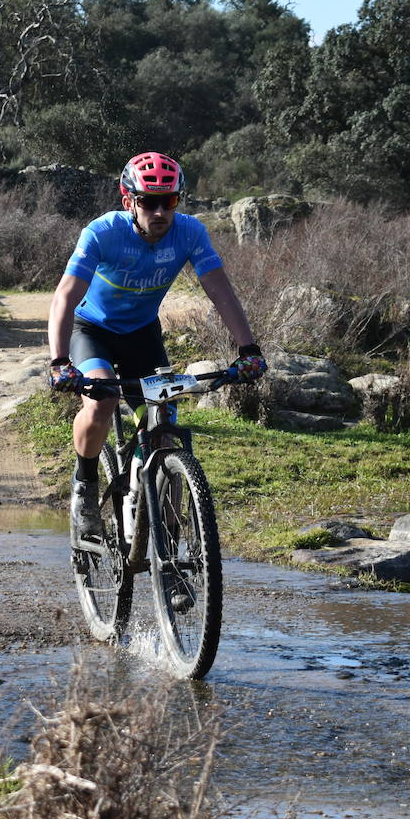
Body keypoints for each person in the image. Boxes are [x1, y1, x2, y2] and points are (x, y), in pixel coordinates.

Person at [47, 151, 267, 538]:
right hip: (92, 329)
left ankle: (171, 545)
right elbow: (65, 296)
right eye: (149, 201)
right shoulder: (102, 233)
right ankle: (84, 487)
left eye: (170, 201)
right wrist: (59, 362)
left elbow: (221, 292)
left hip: (141, 334)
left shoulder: (190, 233)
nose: (160, 212)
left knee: (164, 426)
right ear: (128, 200)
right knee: (101, 403)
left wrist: (248, 349)